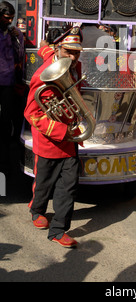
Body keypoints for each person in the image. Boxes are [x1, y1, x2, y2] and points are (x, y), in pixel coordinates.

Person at [24, 27, 84, 248]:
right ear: (59, 48)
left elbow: (45, 49)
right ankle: (37, 210)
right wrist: (62, 131)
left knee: (68, 187)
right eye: (69, 51)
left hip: (70, 141)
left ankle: (59, 229)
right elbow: (31, 113)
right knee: (43, 183)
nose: (73, 57)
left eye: (77, 52)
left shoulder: (70, 64)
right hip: (49, 141)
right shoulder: (42, 75)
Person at [0, 1, 25, 174]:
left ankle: (5, 163)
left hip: (8, 84)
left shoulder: (14, 34)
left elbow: (21, 55)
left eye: (12, 18)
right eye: (7, 18)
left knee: (5, 123)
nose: (10, 21)